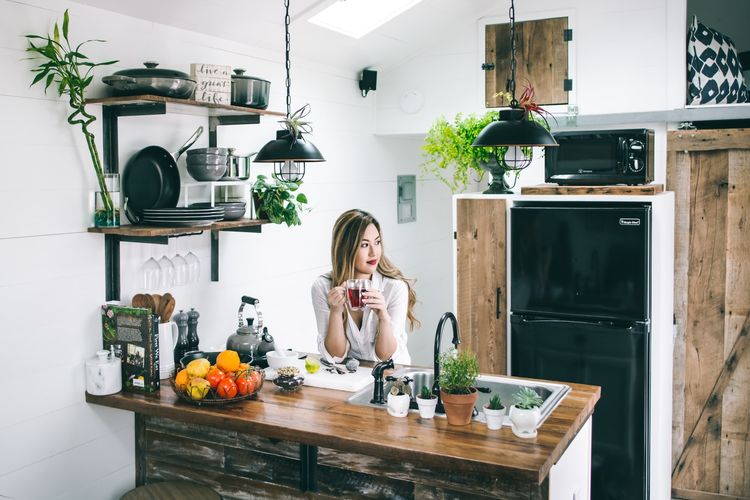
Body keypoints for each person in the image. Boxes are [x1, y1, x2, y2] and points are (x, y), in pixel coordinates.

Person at [311, 209, 419, 365]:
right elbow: (335, 356)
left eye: (377, 242)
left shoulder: (394, 288)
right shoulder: (323, 287)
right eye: (364, 245)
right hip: (355, 378)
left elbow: (385, 357)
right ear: (346, 249)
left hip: (394, 378)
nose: (374, 252)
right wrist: (335, 312)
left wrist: (383, 316)